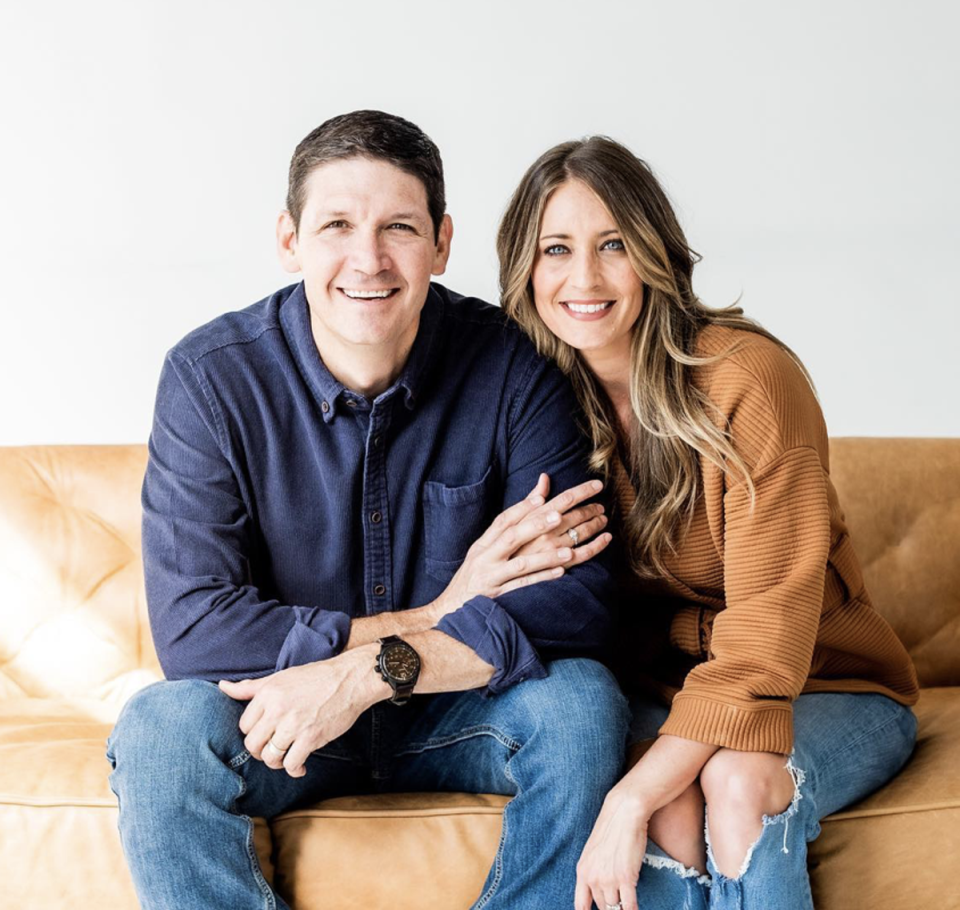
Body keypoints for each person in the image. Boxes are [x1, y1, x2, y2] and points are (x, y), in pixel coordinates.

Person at [105, 110, 631, 910]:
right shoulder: (211, 380)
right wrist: (443, 611)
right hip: (287, 725)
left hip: (458, 708)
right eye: (338, 226)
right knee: (160, 732)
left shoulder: (513, 365)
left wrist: (367, 673)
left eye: (399, 228)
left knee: (583, 704)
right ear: (290, 240)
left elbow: (576, 603)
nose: (368, 259)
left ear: (442, 242)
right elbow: (195, 630)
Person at [497, 136, 920, 910]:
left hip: (824, 686)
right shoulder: (535, 405)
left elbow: (765, 645)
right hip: (666, 693)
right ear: (525, 269)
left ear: (655, 254)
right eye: (556, 248)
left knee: (734, 781)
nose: (583, 278)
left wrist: (627, 798)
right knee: (669, 803)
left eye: (613, 244)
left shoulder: (747, 379)